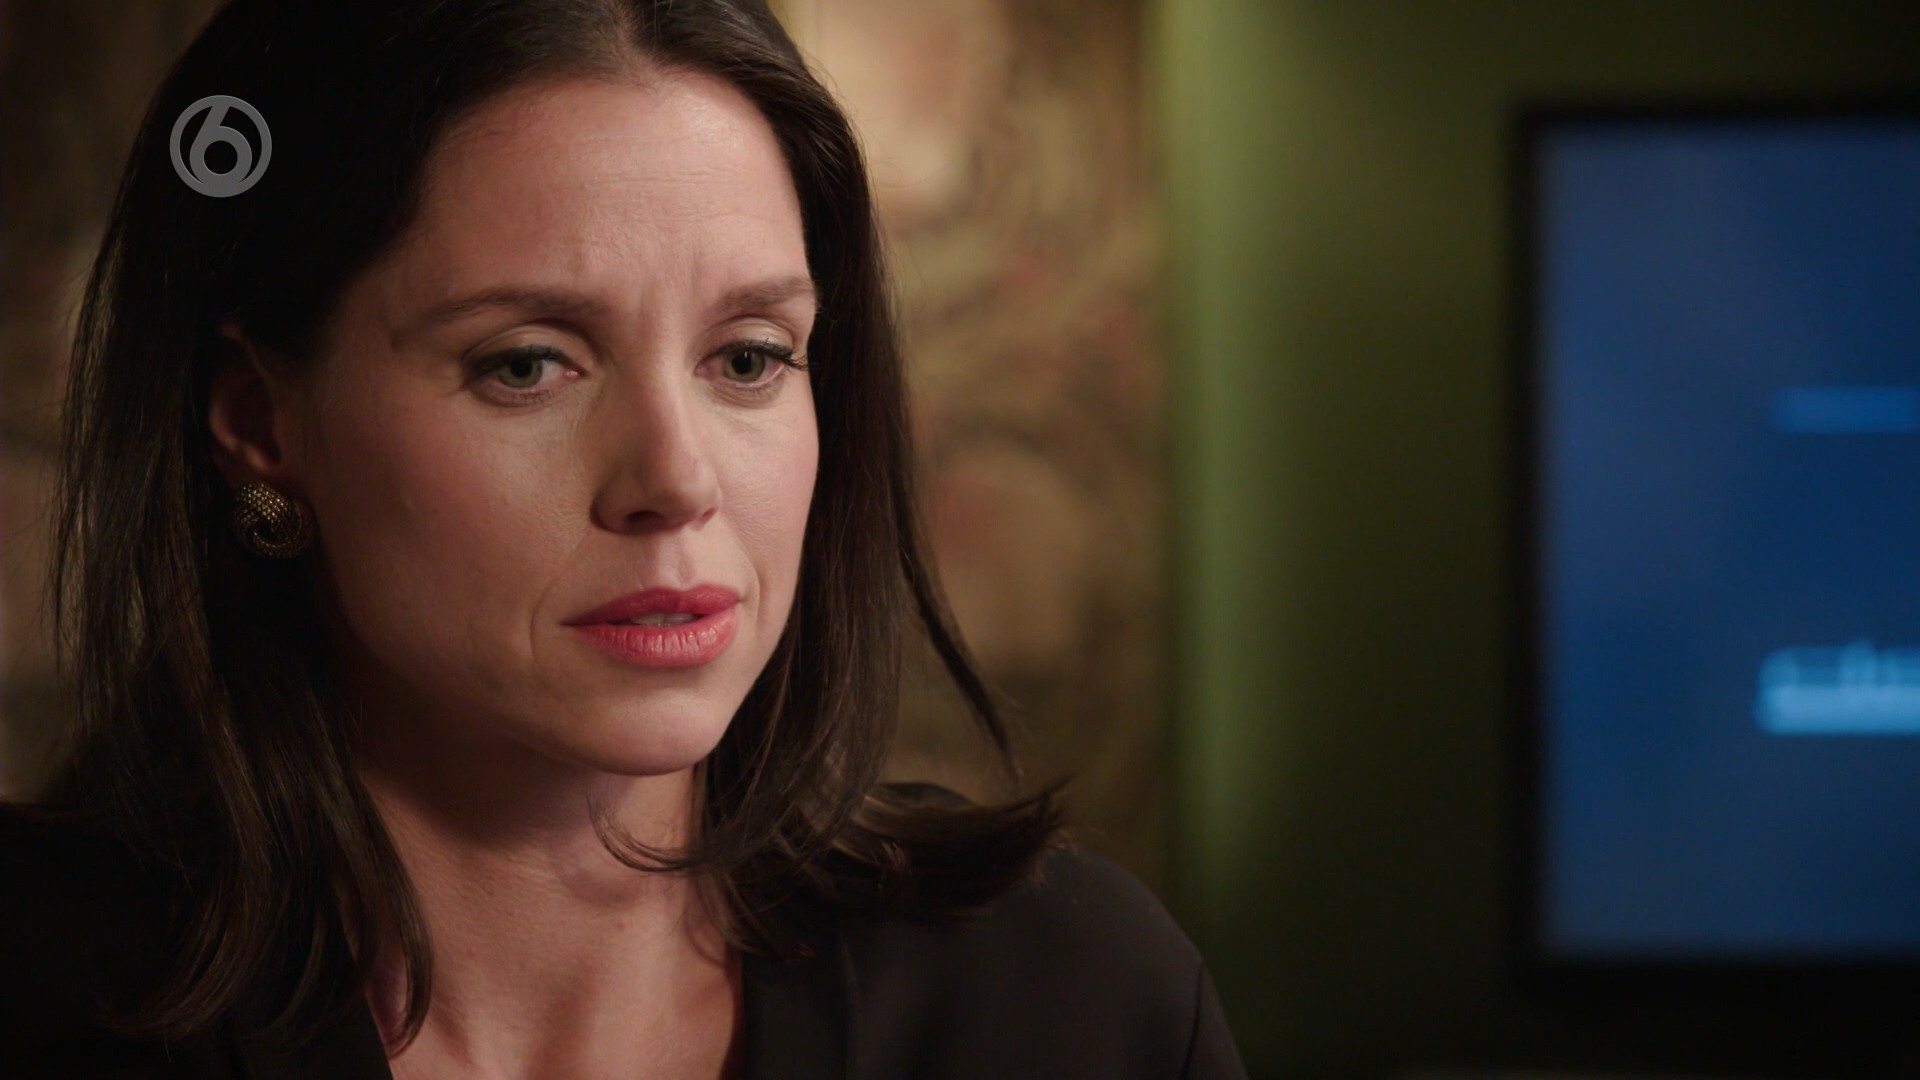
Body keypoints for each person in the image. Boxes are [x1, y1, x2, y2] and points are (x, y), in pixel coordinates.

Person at [0, 1, 1250, 1077]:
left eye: (749, 359)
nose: (676, 480)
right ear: (260, 422)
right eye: (526, 364)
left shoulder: (1076, 1004)